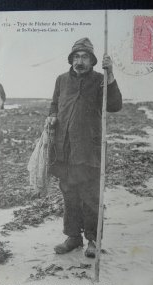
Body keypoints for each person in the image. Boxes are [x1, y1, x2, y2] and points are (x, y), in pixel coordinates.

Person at [45, 38, 122, 258]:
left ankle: (93, 240)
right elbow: (53, 104)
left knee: (90, 197)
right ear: (71, 59)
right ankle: (73, 237)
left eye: (85, 57)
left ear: (92, 61)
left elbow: (115, 106)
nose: (80, 61)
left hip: (89, 150)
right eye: (76, 56)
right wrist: (51, 117)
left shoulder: (100, 80)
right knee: (69, 195)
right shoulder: (61, 80)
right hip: (64, 151)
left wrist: (111, 74)